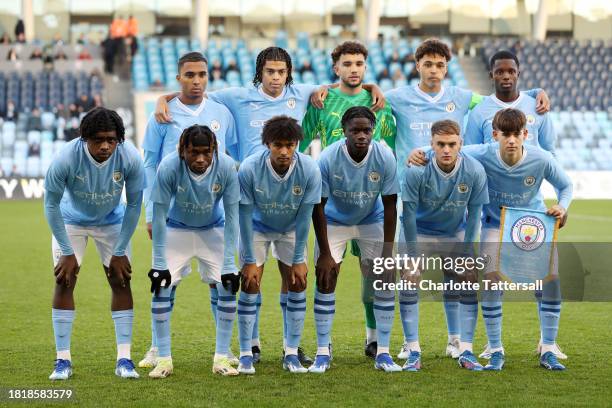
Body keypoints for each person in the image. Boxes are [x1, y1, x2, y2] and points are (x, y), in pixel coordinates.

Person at [153, 46, 385, 365]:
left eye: (281, 72)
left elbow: (345, 84)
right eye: (270, 72)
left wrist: (374, 87)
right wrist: (163, 98)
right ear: (259, 73)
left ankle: (292, 347)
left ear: (289, 73)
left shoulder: (303, 92)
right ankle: (252, 343)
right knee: (251, 277)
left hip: (288, 196)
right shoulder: (236, 96)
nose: (276, 77)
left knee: (293, 277)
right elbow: (196, 90)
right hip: (252, 194)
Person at [385, 38, 549, 361]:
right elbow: (367, 97)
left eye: (440, 65)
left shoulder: (460, 98)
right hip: (414, 199)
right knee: (409, 275)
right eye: (428, 64)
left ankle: (455, 340)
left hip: (452, 208)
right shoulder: (398, 97)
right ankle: (409, 343)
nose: (434, 70)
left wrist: (533, 94)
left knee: (458, 276)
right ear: (417, 66)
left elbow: (499, 100)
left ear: (447, 68)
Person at [408, 108, 573, 371]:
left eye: (516, 134)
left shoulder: (541, 159)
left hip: (531, 224)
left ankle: (548, 348)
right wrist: (417, 153)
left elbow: (566, 186)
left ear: (525, 135)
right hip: (495, 225)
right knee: (491, 280)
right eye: (505, 134)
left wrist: (562, 207)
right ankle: (495, 349)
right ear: (495, 135)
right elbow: (447, 149)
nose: (511, 140)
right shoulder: (481, 153)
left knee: (550, 281)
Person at [138, 51, 238, 370]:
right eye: (190, 75)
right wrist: (151, 213)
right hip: (174, 214)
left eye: (202, 75)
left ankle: (224, 350)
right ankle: (158, 347)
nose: (197, 81)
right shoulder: (163, 115)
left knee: (220, 281)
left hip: (213, 218)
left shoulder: (221, 111)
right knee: (165, 282)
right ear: (179, 77)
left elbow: (231, 160)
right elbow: (150, 163)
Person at [299, 40, 396, 359]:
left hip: (370, 201)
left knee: (374, 277)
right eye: (347, 64)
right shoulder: (321, 99)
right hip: (333, 197)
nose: (354, 70)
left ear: (366, 68)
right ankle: (322, 346)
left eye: (359, 65)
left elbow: (389, 142)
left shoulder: (379, 99)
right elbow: (303, 141)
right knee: (327, 274)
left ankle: (374, 340)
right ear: (336, 68)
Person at [44, 107, 145, 380]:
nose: (105, 146)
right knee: (64, 280)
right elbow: (50, 204)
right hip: (71, 221)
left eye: (111, 140)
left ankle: (124, 359)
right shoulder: (66, 157)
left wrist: (121, 250)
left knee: (121, 281)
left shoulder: (130, 156)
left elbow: (135, 204)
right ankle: (62, 360)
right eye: (98, 139)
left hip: (112, 222)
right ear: (84, 138)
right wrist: (66, 251)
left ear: (119, 139)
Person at [309, 106, 400, 373]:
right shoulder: (327, 158)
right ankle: (323, 351)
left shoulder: (384, 156)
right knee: (326, 277)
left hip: (371, 219)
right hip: (335, 220)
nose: (361, 135)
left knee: (383, 277)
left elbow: (391, 205)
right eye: (355, 130)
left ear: (373, 131)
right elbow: (318, 207)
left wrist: (387, 252)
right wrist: (325, 253)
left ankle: (383, 351)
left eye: (366, 130)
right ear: (345, 132)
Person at [147, 125, 240, 378]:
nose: (200, 159)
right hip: (177, 230)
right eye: (193, 152)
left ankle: (222, 357)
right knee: (161, 285)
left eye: (206, 152)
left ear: (214, 150)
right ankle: (163, 358)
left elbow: (233, 217)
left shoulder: (226, 167)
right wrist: (158, 261)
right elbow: (158, 214)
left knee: (228, 284)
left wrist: (230, 262)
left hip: (213, 230)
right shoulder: (168, 166)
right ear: (182, 150)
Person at [399, 119, 488, 371]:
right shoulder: (417, 169)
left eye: (451, 144)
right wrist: (413, 259)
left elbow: (475, 216)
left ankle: (462, 347)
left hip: (454, 232)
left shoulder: (474, 170)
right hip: (418, 231)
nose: (446, 150)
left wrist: (467, 255)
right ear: (431, 144)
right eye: (441, 144)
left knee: (466, 278)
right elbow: (407, 216)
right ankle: (412, 348)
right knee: (409, 279)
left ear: (460, 143)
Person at [236, 116, 321, 375]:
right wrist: (249, 259)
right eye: (277, 145)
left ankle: (291, 352)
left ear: (297, 144)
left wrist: (298, 259)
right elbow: (244, 214)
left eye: (290, 145)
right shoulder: (250, 168)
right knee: (250, 282)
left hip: (291, 229)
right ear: (267, 144)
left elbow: (306, 217)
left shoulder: (309, 169)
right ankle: (247, 352)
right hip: (257, 228)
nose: (284, 151)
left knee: (298, 281)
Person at [464, 50, 556, 156]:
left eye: (511, 71)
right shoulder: (479, 111)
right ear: (491, 75)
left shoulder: (537, 106)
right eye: (500, 72)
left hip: (529, 173)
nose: (506, 76)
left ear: (518, 74)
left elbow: (550, 151)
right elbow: (470, 154)